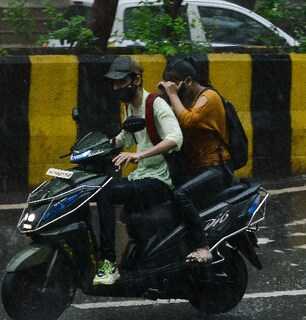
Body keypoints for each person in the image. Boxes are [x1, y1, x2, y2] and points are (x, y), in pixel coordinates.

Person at [93, 56, 183, 285]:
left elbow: (175, 138)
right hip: (141, 176)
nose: (117, 87)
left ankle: (108, 261)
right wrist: (98, 147)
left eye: (121, 82)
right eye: (114, 83)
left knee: (106, 192)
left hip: (159, 180)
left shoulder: (156, 104)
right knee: (97, 187)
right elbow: (125, 137)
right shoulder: (130, 107)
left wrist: (139, 155)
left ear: (137, 80)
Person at [158, 58, 233, 264]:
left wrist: (172, 95)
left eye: (175, 84)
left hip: (216, 169)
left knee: (181, 194)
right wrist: (162, 96)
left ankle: (203, 246)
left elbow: (189, 120)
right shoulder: (186, 100)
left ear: (188, 81)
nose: (173, 88)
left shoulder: (208, 97)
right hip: (196, 169)